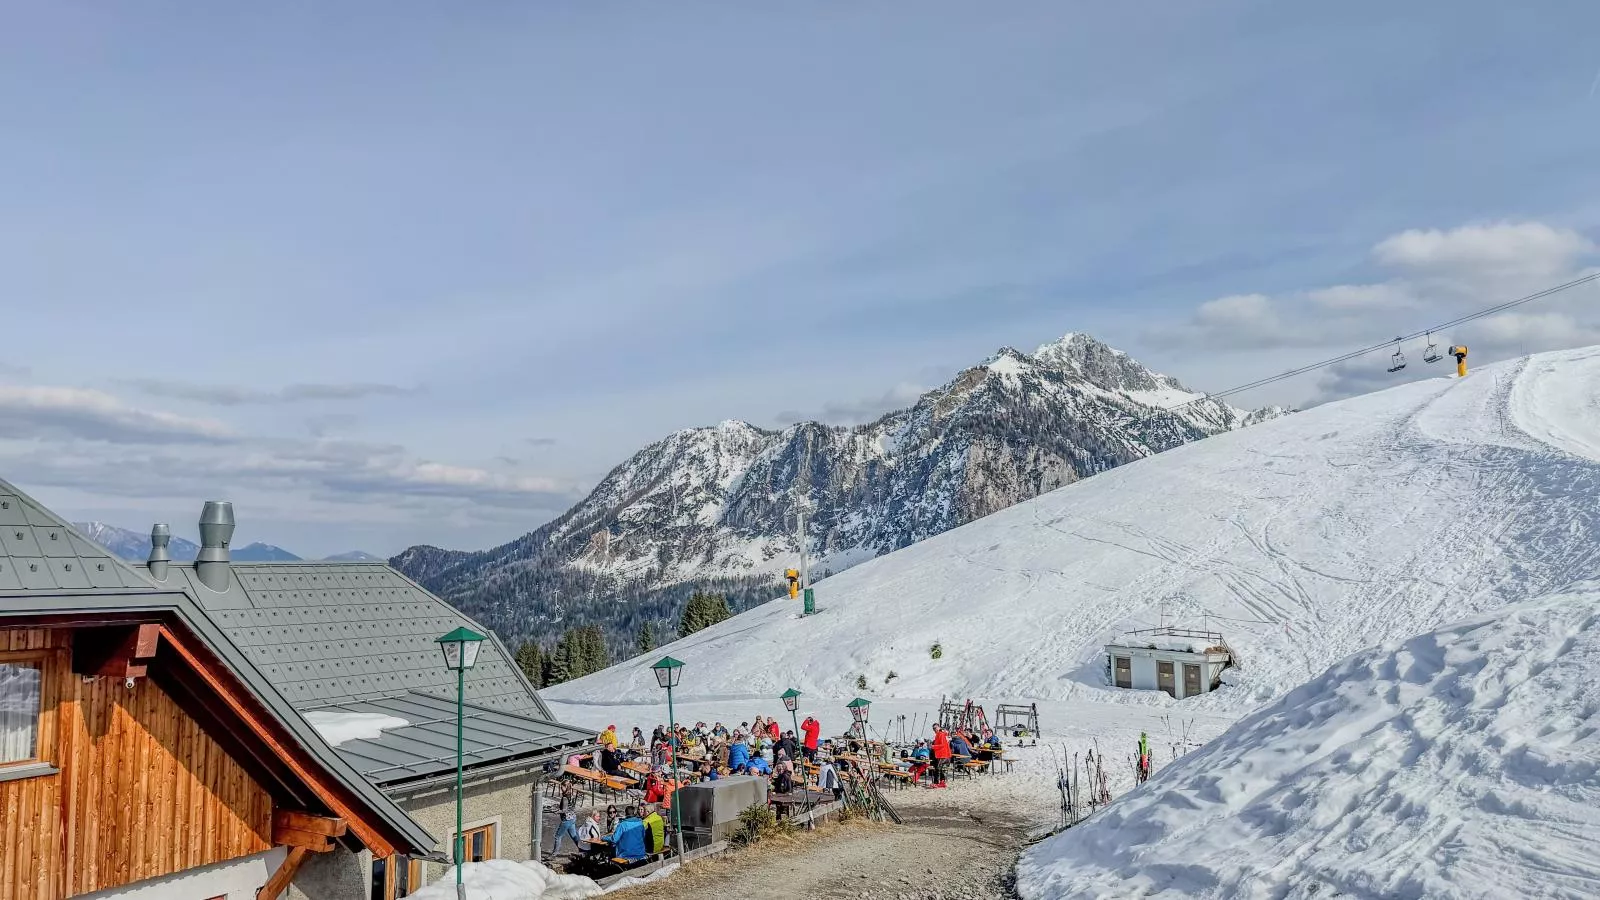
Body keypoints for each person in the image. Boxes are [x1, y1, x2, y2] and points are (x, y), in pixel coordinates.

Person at [550, 782, 581, 855]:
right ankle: (583, 850)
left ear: (566, 787)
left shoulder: (565, 797)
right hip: (572, 818)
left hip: (567, 819)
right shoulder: (572, 795)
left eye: (562, 787)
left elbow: (564, 810)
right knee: (574, 836)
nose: (561, 788)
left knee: (558, 836)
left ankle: (554, 854)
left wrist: (556, 811)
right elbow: (570, 807)